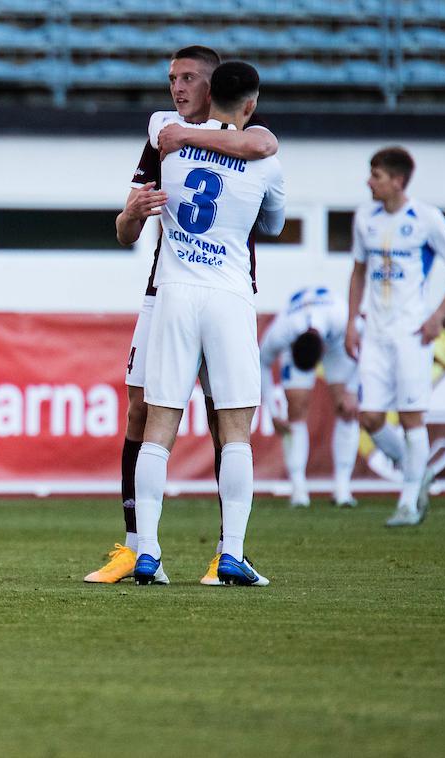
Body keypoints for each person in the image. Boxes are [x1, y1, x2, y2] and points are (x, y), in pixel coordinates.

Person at [86, 45, 278, 585]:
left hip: (221, 291)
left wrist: (189, 137)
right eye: (172, 78)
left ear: (214, 86)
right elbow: (125, 233)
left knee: (226, 422)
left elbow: (265, 141)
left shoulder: (240, 132)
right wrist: (131, 213)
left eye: (189, 77)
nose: (177, 87)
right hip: (163, 293)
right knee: (140, 412)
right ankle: (135, 547)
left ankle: (227, 554)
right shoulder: (162, 132)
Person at [345, 147, 445, 527]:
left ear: (397, 181)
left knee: (412, 417)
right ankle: (420, 475)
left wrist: (438, 316)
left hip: (411, 333)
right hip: (376, 334)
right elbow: (357, 272)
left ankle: (408, 501)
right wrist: (352, 321)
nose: (369, 182)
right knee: (369, 417)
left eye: (376, 175)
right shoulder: (365, 219)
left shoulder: (426, 218)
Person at [260, 286, 360, 508]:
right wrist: (274, 412)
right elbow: (262, 362)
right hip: (303, 335)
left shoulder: (342, 317)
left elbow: (366, 347)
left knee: (346, 408)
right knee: (295, 408)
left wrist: (352, 390)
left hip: (338, 341)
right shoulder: (281, 332)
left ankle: (343, 488)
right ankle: (298, 489)